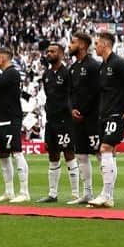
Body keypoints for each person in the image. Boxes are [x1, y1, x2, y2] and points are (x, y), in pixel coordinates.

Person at [88, 32, 124, 208]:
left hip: (116, 114)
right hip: (103, 114)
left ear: (105, 44)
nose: (94, 47)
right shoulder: (103, 66)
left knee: (105, 149)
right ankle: (108, 196)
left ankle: (106, 194)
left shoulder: (118, 63)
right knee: (107, 153)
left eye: (97, 43)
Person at [38, 43, 80, 203]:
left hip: (65, 121)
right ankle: (52, 194)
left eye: (52, 51)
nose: (49, 54)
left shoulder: (67, 73)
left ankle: (75, 194)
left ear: (61, 54)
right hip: (51, 120)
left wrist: (70, 111)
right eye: (48, 51)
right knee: (52, 155)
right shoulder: (46, 74)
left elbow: (71, 95)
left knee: (69, 153)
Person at [0, 47, 30, 203]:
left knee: (16, 152)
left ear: (4, 58)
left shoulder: (12, 73)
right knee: (3, 155)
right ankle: (9, 191)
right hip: (2, 118)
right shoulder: (6, 74)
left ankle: (24, 192)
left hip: (11, 118)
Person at [67, 31, 101, 205]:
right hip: (77, 119)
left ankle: (106, 193)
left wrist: (83, 111)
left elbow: (96, 93)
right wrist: (72, 109)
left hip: (93, 118)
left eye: (72, 42)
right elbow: (70, 93)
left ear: (81, 45)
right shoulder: (73, 68)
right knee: (80, 155)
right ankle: (87, 193)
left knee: (100, 154)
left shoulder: (94, 66)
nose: (69, 46)